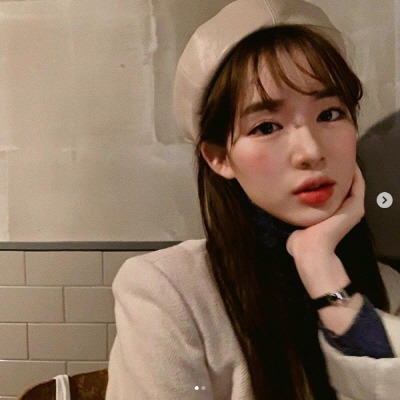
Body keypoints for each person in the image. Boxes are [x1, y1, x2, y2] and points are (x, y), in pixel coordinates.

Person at [106, 0, 400, 399]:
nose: (311, 151)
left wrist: (323, 274)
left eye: (330, 114)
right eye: (266, 126)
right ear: (219, 158)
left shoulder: (386, 288)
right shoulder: (169, 292)